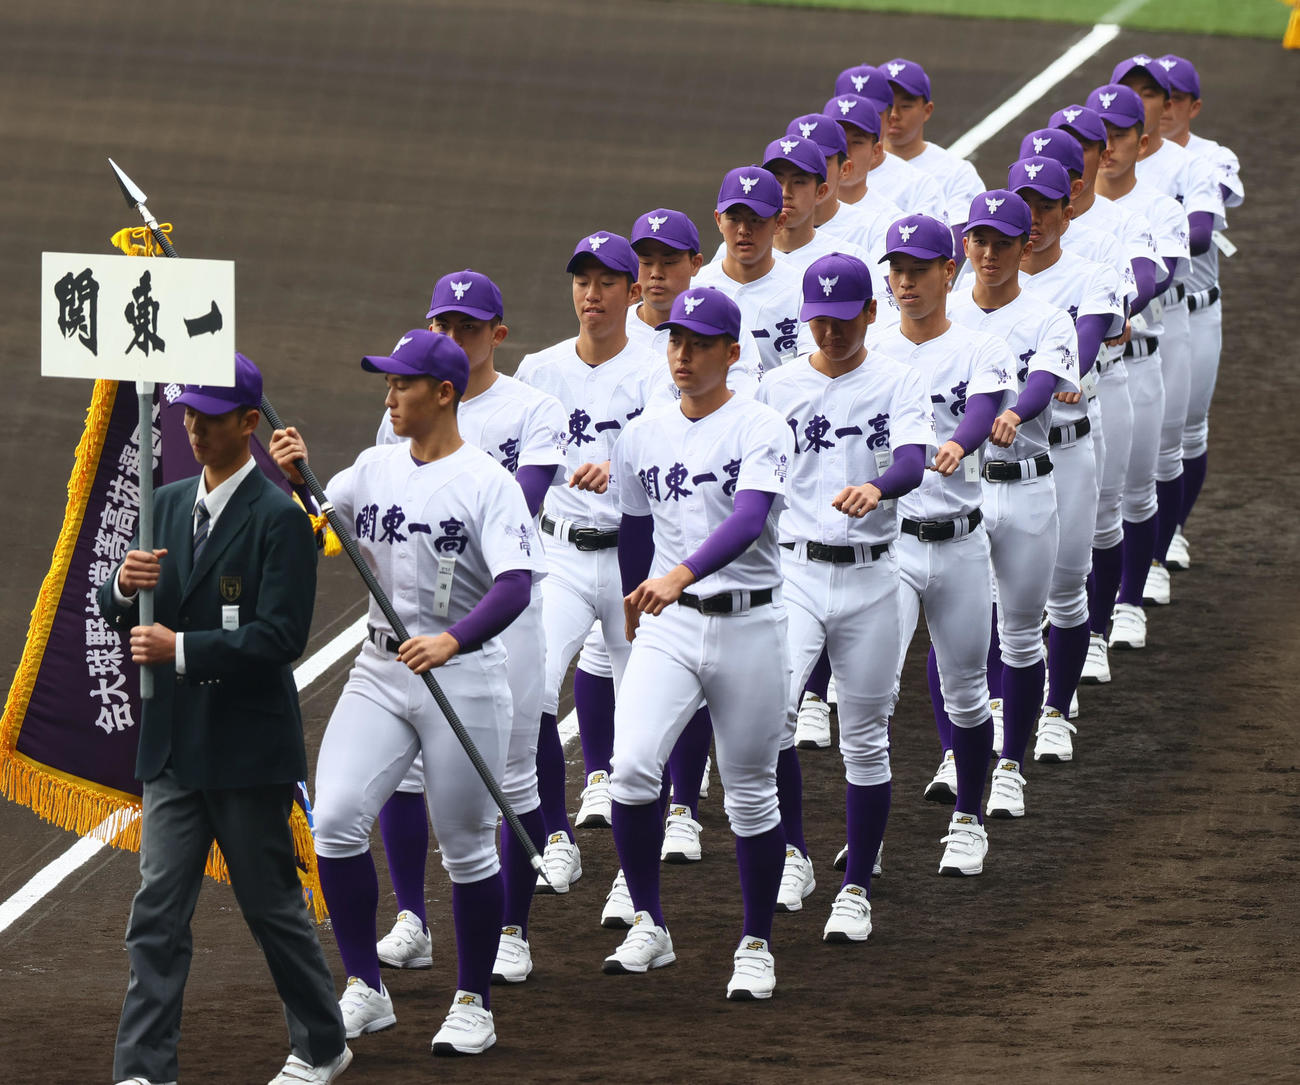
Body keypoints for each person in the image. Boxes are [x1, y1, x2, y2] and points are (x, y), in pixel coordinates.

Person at [271, 330, 539, 1057]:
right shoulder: (372, 467)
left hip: (464, 678)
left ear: (443, 393)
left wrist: (454, 639)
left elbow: (516, 583)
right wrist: (297, 479)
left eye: (402, 385)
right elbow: (315, 525)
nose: (389, 396)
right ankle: (367, 986)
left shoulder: (489, 482)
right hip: (381, 670)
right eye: (387, 384)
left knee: (466, 850)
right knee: (333, 821)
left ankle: (473, 1001)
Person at [99, 352, 351, 1085]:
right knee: (156, 913)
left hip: (245, 754)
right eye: (189, 417)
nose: (194, 429)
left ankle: (321, 1043)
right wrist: (122, 583)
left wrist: (181, 650)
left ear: (249, 422)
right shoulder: (166, 503)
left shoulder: (281, 520)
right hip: (174, 751)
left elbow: (279, 637)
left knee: (272, 908)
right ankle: (143, 1068)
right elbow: (120, 608)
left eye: (210, 419)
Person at [371, 271, 567, 987]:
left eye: (467, 327)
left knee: (513, 777)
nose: (453, 338)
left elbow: (524, 502)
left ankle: (513, 928)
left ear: (497, 334)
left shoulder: (535, 409)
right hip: (419, 620)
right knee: (402, 769)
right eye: (441, 325)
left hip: (502, 620)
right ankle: (412, 920)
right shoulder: (404, 405)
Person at [604, 286, 793, 999]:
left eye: (700, 344)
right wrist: (635, 595)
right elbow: (634, 527)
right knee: (630, 770)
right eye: (677, 342)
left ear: (732, 354)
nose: (683, 355)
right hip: (670, 626)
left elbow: (748, 521)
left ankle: (755, 942)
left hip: (751, 622)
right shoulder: (642, 432)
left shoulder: (761, 427)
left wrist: (674, 576)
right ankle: (649, 922)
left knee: (750, 792)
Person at [756, 253, 931, 937]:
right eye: (817, 320)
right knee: (773, 717)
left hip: (872, 575)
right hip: (795, 572)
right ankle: (795, 852)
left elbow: (914, 459)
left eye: (841, 318)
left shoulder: (899, 380)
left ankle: (856, 882)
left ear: (870, 312)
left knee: (864, 736)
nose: (828, 331)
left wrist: (879, 488)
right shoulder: (775, 388)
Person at [872, 214, 1015, 874]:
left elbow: (984, 408)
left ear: (946, 271)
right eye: (895, 269)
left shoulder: (978, 345)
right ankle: (865, 835)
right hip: (892, 549)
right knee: (871, 694)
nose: (905, 281)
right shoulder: (869, 350)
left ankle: (969, 818)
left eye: (918, 269)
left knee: (965, 691)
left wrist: (962, 439)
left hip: (960, 546)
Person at [515, 231, 658, 890]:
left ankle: (636, 874)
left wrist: (629, 468)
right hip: (562, 552)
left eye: (606, 282)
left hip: (636, 558)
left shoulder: (662, 368)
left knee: (645, 720)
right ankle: (554, 833)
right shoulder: (539, 371)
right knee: (531, 693)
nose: (591, 293)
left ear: (633, 292)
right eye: (582, 280)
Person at [1011, 154, 1125, 760]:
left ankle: (1056, 709)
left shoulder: (1092, 276)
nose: (1031, 220)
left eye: (1043, 207)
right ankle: (1002, 710)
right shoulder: (981, 285)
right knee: (999, 595)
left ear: (1067, 210)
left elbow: (1077, 352)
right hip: (1000, 461)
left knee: (1066, 587)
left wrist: (1054, 376)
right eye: (1021, 206)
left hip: (1069, 449)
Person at [1085, 83, 1189, 653]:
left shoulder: (1156, 208)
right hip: (1074, 383)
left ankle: (1127, 601)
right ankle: (1085, 624)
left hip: (1135, 365)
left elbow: (1158, 275)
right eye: (1097, 137)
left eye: (1119, 135)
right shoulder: (1057, 212)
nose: (1108, 146)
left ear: (1142, 141)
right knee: (1083, 510)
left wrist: (1114, 311)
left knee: (1135, 494)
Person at [1157, 53, 1244, 571]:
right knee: (1149, 443)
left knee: (1189, 431)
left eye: (1174, 99)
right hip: (1146, 321)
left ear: (1194, 106)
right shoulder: (1121, 159)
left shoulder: (1212, 158)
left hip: (1195, 311)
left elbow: (1204, 223)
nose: (1164, 108)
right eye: (1154, 97)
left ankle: (1173, 532)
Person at [693, 165, 811, 374]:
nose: (744, 230)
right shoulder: (693, 290)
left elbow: (808, 372)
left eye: (756, 219)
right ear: (718, 220)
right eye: (734, 219)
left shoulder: (802, 289)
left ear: (779, 222)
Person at [879, 57, 986, 241]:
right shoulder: (850, 171)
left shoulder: (957, 173)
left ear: (927, 110)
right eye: (886, 105)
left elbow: (959, 242)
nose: (894, 115)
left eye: (905, 106)